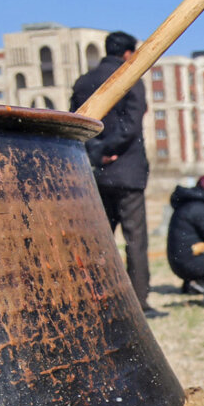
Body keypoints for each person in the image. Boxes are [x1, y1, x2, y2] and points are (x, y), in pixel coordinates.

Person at [70, 31, 161, 317]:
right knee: (135, 240)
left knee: (99, 239)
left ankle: (99, 298)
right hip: (127, 171)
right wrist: (110, 149)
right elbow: (131, 126)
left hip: (95, 172)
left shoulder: (84, 82)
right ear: (128, 55)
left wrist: (96, 152)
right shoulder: (130, 79)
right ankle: (139, 303)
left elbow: (76, 121)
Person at [166, 175, 204, 306]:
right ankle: (201, 284)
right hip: (189, 263)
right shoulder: (200, 207)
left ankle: (193, 283)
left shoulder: (190, 202)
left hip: (178, 262)